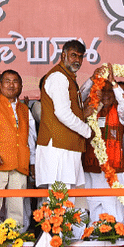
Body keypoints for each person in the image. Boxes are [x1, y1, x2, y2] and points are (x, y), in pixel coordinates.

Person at [0, 70, 36, 234]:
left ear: (21, 86)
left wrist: (32, 162)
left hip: (20, 164)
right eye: (7, 81)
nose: (11, 85)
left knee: (16, 207)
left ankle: (13, 243)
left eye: (15, 81)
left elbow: (31, 137)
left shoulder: (25, 109)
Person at [36, 40, 94, 189]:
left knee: (67, 200)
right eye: (73, 55)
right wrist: (87, 131)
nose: (77, 60)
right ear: (63, 55)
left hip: (66, 146)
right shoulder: (58, 77)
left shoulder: (67, 77)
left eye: (80, 57)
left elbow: (75, 101)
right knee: (59, 199)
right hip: (58, 148)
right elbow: (62, 113)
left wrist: (92, 80)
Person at [81, 65, 124, 223]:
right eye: (104, 90)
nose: (107, 95)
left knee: (115, 209)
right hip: (92, 169)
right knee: (93, 205)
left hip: (115, 170)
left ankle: (117, 238)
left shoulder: (120, 112)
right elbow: (80, 94)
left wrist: (113, 83)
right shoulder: (89, 110)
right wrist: (93, 80)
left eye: (111, 91)